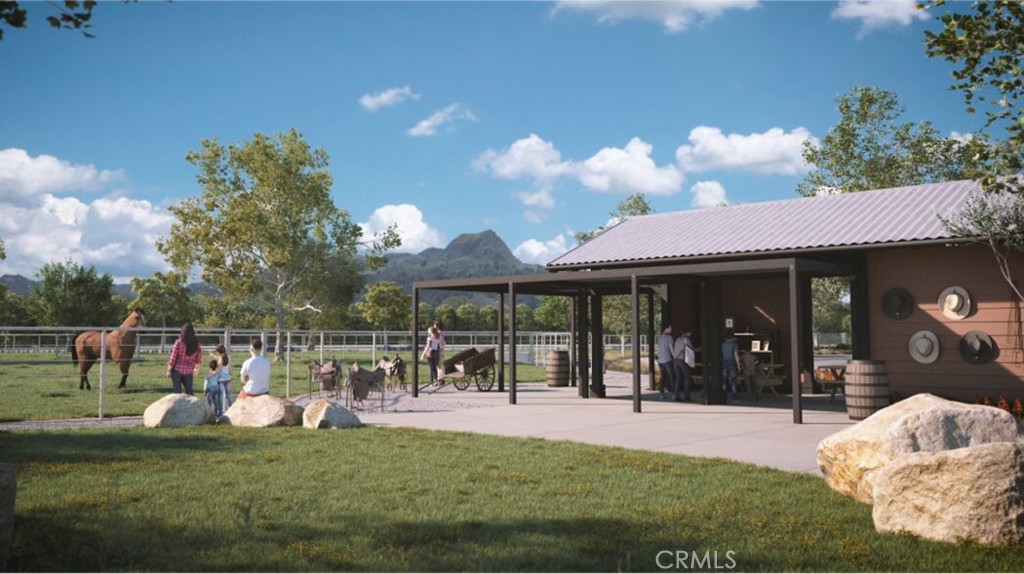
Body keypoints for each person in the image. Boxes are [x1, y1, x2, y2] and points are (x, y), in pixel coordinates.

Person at [166, 323, 203, 395]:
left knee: (177, 393)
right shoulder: (197, 344)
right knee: (189, 393)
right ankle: (192, 406)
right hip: (189, 372)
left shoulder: (179, 343)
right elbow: (199, 360)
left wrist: (169, 370)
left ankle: (178, 406)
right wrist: (197, 369)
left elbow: (173, 358)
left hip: (177, 370)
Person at [672, 329, 697, 402]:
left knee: (678, 379)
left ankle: (675, 396)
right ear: (687, 333)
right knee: (687, 378)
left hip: (675, 360)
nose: (690, 334)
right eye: (690, 333)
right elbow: (692, 349)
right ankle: (686, 397)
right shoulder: (686, 339)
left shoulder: (677, 339)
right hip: (682, 360)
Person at [656, 323, 677, 400]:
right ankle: (674, 394)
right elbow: (671, 349)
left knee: (663, 377)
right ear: (666, 328)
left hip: (660, 360)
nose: (671, 330)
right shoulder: (669, 337)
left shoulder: (659, 337)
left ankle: (661, 393)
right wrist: (675, 357)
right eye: (670, 328)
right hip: (667, 359)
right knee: (672, 376)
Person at [722, 329, 740, 402]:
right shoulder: (734, 344)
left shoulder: (722, 344)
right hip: (732, 362)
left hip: (723, 362)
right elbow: (736, 355)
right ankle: (734, 397)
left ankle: (723, 396)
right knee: (733, 380)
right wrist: (738, 365)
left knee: (724, 380)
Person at [214, 344, 232, 413]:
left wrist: (212, 374)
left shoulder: (221, 358)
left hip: (221, 379)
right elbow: (229, 367)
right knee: (228, 395)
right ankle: (231, 408)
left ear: (219, 352)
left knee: (220, 396)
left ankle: (220, 411)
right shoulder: (228, 357)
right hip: (227, 378)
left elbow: (219, 370)